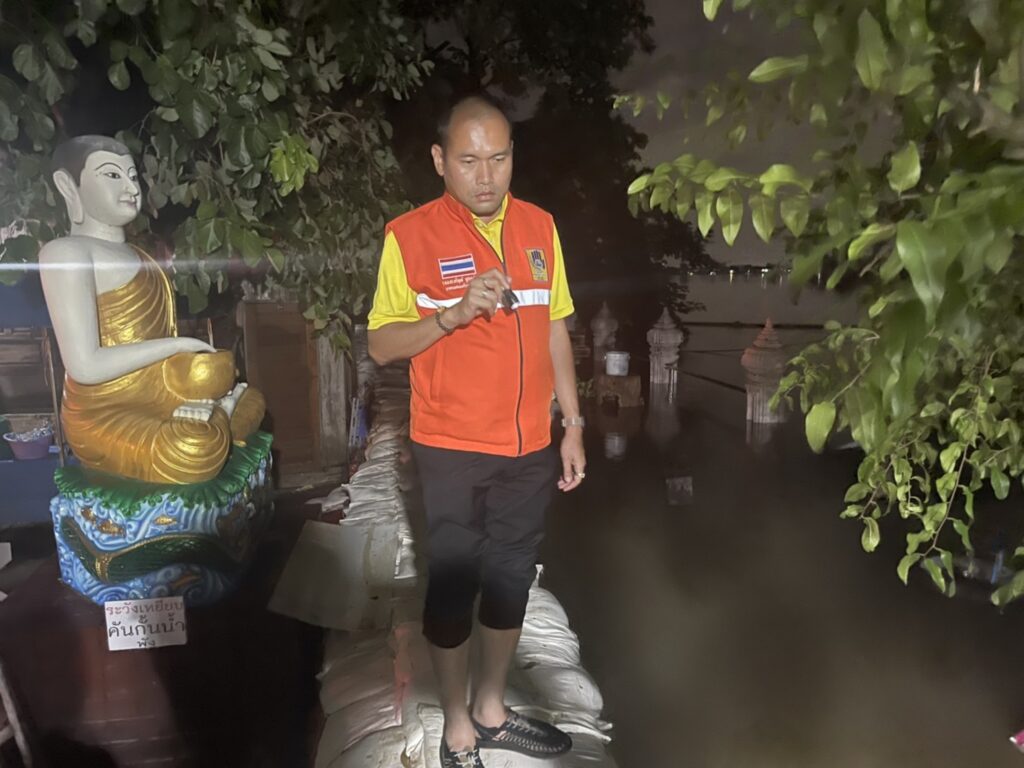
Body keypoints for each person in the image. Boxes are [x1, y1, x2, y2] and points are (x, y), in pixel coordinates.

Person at [368, 94, 586, 766]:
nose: (486, 175)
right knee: (453, 584)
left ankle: (492, 710)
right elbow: (381, 344)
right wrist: (452, 316)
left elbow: (555, 328)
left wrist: (573, 425)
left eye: (499, 158)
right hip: (451, 448)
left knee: (513, 577)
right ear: (440, 161)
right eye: (469, 160)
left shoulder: (541, 227)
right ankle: (457, 726)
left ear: (513, 156)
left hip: (529, 445)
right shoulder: (410, 236)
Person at [39, 135, 264, 484]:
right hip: (105, 411)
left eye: (133, 176)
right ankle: (219, 416)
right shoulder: (66, 253)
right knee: (192, 450)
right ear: (69, 186)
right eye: (113, 175)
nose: (132, 188)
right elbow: (84, 365)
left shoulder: (142, 256)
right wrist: (177, 345)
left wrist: (192, 367)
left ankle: (218, 413)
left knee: (252, 399)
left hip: (161, 390)